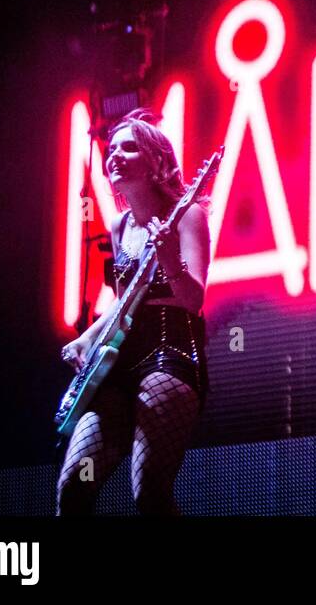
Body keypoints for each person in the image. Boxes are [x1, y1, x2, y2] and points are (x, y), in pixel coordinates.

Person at [56, 109, 212, 515]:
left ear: (157, 161)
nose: (114, 155)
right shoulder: (120, 226)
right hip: (118, 363)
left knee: (149, 493)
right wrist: (86, 338)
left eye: (129, 147)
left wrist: (168, 257)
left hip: (170, 352)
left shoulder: (188, 214)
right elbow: (124, 303)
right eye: (112, 148)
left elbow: (192, 299)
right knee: (74, 487)